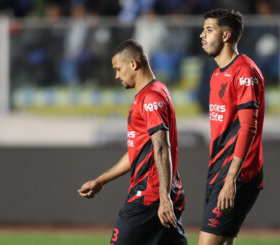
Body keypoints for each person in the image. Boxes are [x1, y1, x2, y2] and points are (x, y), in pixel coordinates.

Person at [78, 39, 187, 245]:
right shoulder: (153, 93)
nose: (117, 75)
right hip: (164, 192)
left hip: (149, 195)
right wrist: (101, 180)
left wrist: (163, 198)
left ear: (133, 65)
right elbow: (137, 152)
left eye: (118, 69)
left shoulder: (151, 98)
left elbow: (162, 148)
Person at [199, 8, 265, 245]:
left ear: (226, 36)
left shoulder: (245, 71)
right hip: (219, 169)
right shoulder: (217, 74)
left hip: (236, 173)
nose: (201, 35)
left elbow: (249, 127)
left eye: (209, 30)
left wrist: (231, 179)